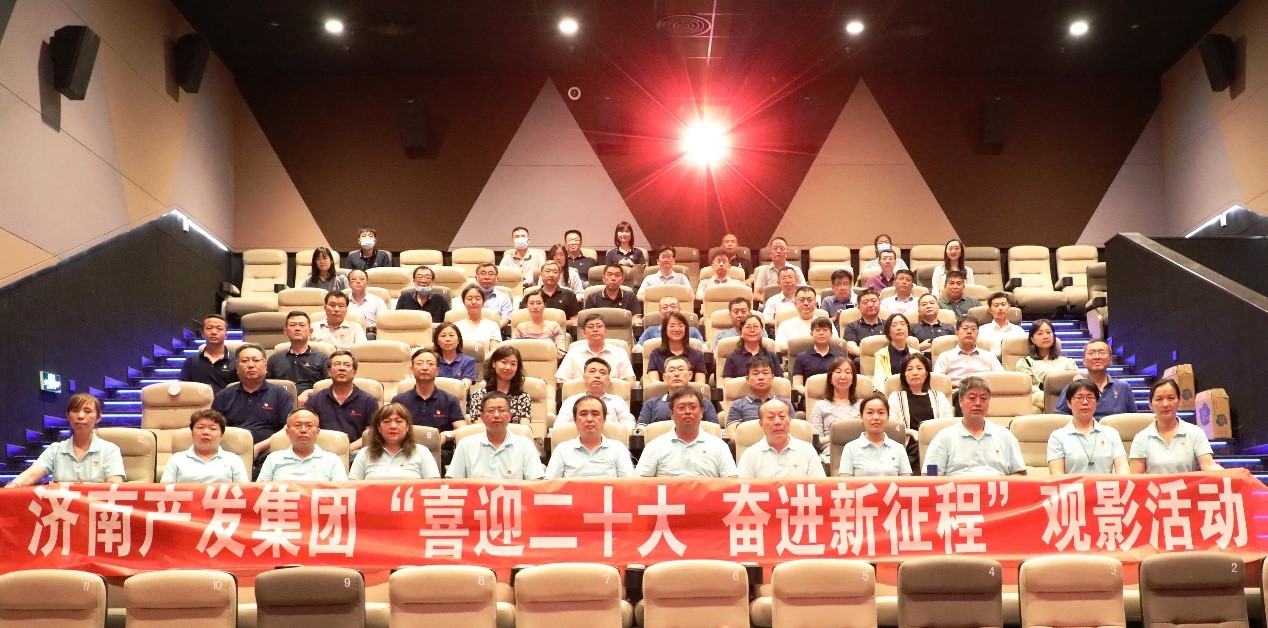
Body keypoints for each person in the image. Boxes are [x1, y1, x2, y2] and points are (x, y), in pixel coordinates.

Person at [5, 393, 124, 487]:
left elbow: (114, 486)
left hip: (96, 508)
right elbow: (31, 475)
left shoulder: (110, 450)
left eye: (87, 411)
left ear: (98, 418)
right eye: (75, 411)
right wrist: (12, 486)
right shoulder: (55, 449)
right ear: (68, 416)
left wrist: (75, 486)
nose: (80, 416)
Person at [924, 376, 1026, 476]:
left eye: (983, 398)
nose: (978, 403)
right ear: (960, 401)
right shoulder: (944, 437)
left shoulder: (1005, 435)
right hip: (958, 486)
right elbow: (930, 478)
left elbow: (1020, 473)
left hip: (996, 485)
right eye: (972, 398)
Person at [213, 343, 293, 462]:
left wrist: (258, 448)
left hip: (270, 453)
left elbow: (288, 428)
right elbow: (214, 428)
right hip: (231, 454)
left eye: (256, 360)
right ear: (237, 368)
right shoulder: (223, 396)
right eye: (245, 361)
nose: (250, 365)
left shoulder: (280, 394)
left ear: (265, 366)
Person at [636, 387, 737, 478]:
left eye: (693, 407)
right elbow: (640, 483)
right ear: (671, 413)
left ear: (701, 412)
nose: (688, 411)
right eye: (681, 407)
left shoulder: (719, 446)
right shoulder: (655, 446)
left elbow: (731, 483)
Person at [1129, 379, 1222, 474]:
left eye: (1171, 398)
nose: (1165, 404)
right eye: (1159, 399)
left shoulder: (1195, 432)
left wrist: (1227, 473)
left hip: (1186, 484)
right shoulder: (1141, 438)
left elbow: (1208, 465)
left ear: (1179, 401)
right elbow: (1136, 477)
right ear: (1150, 405)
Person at [446, 392, 546, 480]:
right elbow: (453, 483)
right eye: (490, 411)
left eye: (501, 410)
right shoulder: (465, 445)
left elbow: (536, 482)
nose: (496, 415)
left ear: (510, 415)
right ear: (482, 416)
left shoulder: (525, 445)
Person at [1047, 379, 1128, 474]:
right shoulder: (1057, 437)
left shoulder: (1111, 434)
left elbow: (1122, 467)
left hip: (1104, 484)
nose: (1085, 402)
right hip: (1073, 484)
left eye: (1090, 397)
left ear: (1096, 402)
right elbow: (1057, 475)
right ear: (1069, 403)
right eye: (1079, 397)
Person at [303, 350, 378, 451]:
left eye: (347, 365)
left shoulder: (369, 400)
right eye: (337, 364)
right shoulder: (315, 399)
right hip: (322, 451)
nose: (342, 368)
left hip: (355, 452)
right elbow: (310, 428)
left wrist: (349, 449)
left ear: (354, 372)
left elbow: (371, 433)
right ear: (329, 371)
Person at [888, 353, 953, 471]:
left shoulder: (939, 396)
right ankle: (930, 478)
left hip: (938, 443)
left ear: (926, 373)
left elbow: (949, 424)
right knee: (925, 452)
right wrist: (912, 432)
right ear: (904, 374)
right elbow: (893, 426)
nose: (915, 373)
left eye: (919, 368)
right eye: (910, 369)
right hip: (910, 446)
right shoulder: (896, 397)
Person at [546, 395, 636, 479]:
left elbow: (629, 485)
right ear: (575, 420)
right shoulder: (562, 449)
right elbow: (550, 485)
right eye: (583, 414)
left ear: (604, 419)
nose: (589, 419)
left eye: (595, 414)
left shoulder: (618, 448)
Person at [390, 348, 465, 442]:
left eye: (430, 364)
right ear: (412, 369)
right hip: (408, 447)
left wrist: (447, 435)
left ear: (437, 371)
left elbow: (463, 430)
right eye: (419, 363)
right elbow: (391, 427)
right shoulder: (399, 400)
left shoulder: (450, 400)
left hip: (441, 448)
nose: (425, 368)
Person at [349, 404, 441, 480]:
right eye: (387, 421)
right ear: (378, 428)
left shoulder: (422, 452)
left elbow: (434, 488)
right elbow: (351, 489)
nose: (393, 426)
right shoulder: (364, 454)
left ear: (407, 427)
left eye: (399, 421)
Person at [738, 399, 826, 479]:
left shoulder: (807, 450)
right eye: (771, 418)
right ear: (761, 424)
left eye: (782, 416)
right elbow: (743, 489)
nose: (777, 422)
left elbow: (819, 486)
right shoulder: (750, 455)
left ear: (790, 420)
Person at [257, 409, 349, 482]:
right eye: (297, 425)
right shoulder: (273, 459)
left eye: (309, 426)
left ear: (317, 432)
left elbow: (342, 493)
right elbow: (260, 492)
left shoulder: (332, 460)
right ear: (287, 432)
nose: (303, 430)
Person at [1054, 339, 1139, 418]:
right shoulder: (1072, 388)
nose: (1097, 357)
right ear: (1084, 361)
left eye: (1102, 353)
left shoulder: (1123, 387)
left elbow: (1133, 420)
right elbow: (1059, 420)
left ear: (1111, 360)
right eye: (1091, 353)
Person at [161, 409, 249, 483]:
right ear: (192, 433)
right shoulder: (176, 459)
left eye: (213, 428)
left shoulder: (233, 460)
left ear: (221, 435)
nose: (205, 432)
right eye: (200, 427)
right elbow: (164, 491)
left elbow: (244, 492)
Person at [839, 394, 913, 476]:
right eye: (870, 412)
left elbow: (906, 481)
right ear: (861, 417)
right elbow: (845, 482)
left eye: (881, 413)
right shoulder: (850, 448)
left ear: (888, 417)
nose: (876, 417)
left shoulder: (898, 448)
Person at [637, 355, 720, 426]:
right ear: (664, 377)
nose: (676, 374)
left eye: (681, 369)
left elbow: (714, 430)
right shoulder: (651, 404)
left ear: (690, 375)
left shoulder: (704, 403)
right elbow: (641, 429)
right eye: (671, 370)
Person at [555, 357, 636, 429]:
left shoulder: (618, 401)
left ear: (608, 381)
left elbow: (629, 428)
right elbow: (559, 428)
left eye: (602, 373)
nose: (597, 375)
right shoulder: (571, 401)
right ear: (584, 378)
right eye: (592, 371)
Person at [1015, 319, 1078, 409]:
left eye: (1048, 332)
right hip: (1039, 397)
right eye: (1040, 333)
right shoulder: (1025, 362)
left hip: (1065, 394)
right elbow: (1027, 386)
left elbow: (1076, 383)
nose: (1045, 336)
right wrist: (1048, 395)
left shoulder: (1068, 362)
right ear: (1032, 339)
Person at [556, 313, 636, 384]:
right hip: (581, 395)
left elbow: (630, 380)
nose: (595, 330)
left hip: (611, 395)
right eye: (590, 327)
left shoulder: (619, 352)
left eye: (599, 326)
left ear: (606, 331)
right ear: (584, 333)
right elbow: (562, 380)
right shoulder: (573, 352)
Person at [724, 355, 796, 434]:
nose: (761, 377)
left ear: (772, 378)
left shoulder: (785, 403)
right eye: (755, 374)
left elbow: (794, 431)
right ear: (747, 379)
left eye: (765, 373)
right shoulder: (738, 405)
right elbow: (732, 434)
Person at [267, 311, 330, 399]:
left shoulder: (322, 358)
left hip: (312, 401)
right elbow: (266, 386)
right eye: (293, 325)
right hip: (281, 401)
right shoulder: (275, 359)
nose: (297, 328)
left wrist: (310, 393)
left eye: (302, 325)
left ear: (310, 331)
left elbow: (329, 386)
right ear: (285, 331)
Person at [468, 345, 533, 426]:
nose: (508, 367)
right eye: (504, 362)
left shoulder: (523, 397)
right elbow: (478, 427)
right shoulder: (478, 395)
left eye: (513, 364)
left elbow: (524, 429)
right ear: (494, 363)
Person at [933, 316, 1003, 388]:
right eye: (965, 328)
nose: (969, 332)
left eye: (973, 329)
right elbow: (937, 381)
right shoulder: (945, 357)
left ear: (977, 333)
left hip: (983, 391)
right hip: (956, 391)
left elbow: (1001, 378)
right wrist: (959, 385)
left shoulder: (989, 356)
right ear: (957, 333)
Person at [808, 356, 860, 448]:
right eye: (838, 372)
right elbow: (815, 441)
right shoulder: (820, 406)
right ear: (830, 378)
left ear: (853, 379)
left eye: (847, 372)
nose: (843, 376)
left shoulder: (862, 405)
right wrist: (837, 436)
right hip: (831, 453)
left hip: (858, 452)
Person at [179, 314, 238, 393]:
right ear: (202, 334)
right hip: (199, 400)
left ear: (226, 335)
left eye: (219, 329)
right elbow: (183, 388)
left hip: (227, 401)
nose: (214, 332)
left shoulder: (236, 360)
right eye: (209, 328)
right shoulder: (191, 360)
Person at [645, 311, 709, 382]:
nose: (676, 329)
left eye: (680, 326)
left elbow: (700, 383)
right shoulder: (655, 355)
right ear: (665, 330)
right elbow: (654, 383)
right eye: (672, 326)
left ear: (686, 329)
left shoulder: (697, 355)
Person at [722, 314, 784, 379]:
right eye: (748, 327)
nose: (752, 330)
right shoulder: (732, 358)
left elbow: (779, 381)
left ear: (762, 332)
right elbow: (727, 382)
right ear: (741, 333)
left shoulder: (771, 356)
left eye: (756, 326)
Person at [514, 291, 568, 359]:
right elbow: (514, 352)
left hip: (549, 362)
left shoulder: (554, 326)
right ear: (526, 306)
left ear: (544, 305)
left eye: (539, 303)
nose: (535, 307)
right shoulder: (520, 328)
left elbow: (561, 352)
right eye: (531, 303)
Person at [792, 317, 845, 385]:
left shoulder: (841, 357)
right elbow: (797, 384)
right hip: (809, 391)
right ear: (811, 335)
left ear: (831, 334)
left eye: (825, 330)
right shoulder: (801, 357)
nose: (821, 333)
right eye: (817, 330)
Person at [525, 260, 580, 325]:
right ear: (541, 274)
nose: (551, 275)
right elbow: (522, 318)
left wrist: (556, 326)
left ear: (559, 275)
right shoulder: (531, 296)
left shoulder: (569, 295)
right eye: (548, 271)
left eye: (555, 272)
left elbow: (575, 321)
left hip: (563, 330)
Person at [635, 296, 704, 348]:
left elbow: (704, 347)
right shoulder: (650, 331)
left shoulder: (692, 331)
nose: (669, 310)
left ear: (679, 310)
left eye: (673, 307)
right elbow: (638, 348)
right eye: (665, 307)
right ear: (660, 312)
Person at [752, 236, 805, 303]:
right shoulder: (764, 271)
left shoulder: (796, 270)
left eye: (782, 248)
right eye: (775, 248)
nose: (778, 251)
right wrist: (772, 303)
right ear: (770, 254)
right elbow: (756, 294)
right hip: (770, 305)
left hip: (792, 304)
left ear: (787, 254)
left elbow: (805, 291)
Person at [871, 313, 913, 391]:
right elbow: (879, 382)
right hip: (889, 394)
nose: (899, 328)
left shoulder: (916, 354)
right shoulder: (881, 355)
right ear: (888, 332)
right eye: (894, 325)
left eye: (902, 324)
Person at [454, 285, 502, 353]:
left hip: (486, 359)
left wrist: (483, 359)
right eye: (469, 299)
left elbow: (494, 351)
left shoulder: (493, 326)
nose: (474, 302)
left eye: (478, 298)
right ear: (464, 302)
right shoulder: (456, 326)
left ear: (483, 302)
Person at [774, 285, 822, 351]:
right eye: (802, 300)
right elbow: (779, 347)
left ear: (816, 304)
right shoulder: (785, 325)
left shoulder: (825, 324)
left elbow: (834, 344)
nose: (806, 303)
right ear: (795, 304)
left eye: (809, 300)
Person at [977, 292, 1025, 356]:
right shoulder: (982, 331)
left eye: (1003, 304)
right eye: (996, 305)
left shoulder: (1019, 331)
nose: (1000, 308)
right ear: (990, 310)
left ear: (1009, 307)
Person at [842, 290, 884, 358]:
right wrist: (871, 356)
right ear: (859, 307)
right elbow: (851, 347)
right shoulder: (852, 326)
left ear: (879, 304)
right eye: (866, 302)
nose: (870, 305)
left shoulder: (888, 325)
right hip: (861, 360)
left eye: (873, 301)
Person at [472, 263, 513, 329]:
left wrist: (492, 330)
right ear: (476, 278)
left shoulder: (504, 298)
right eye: (483, 274)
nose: (487, 277)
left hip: (496, 331)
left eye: (491, 274)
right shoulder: (467, 297)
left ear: (497, 279)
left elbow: (506, 319)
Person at [346, 269, 387, 334]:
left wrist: (368, 327)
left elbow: (384, 323)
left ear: (367, 282)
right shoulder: (343, 302)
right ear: (349, 284)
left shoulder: (377, 301)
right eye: (353, 279)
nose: (358, 281)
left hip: (370, 333)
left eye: (362, 279)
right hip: (348, 333)